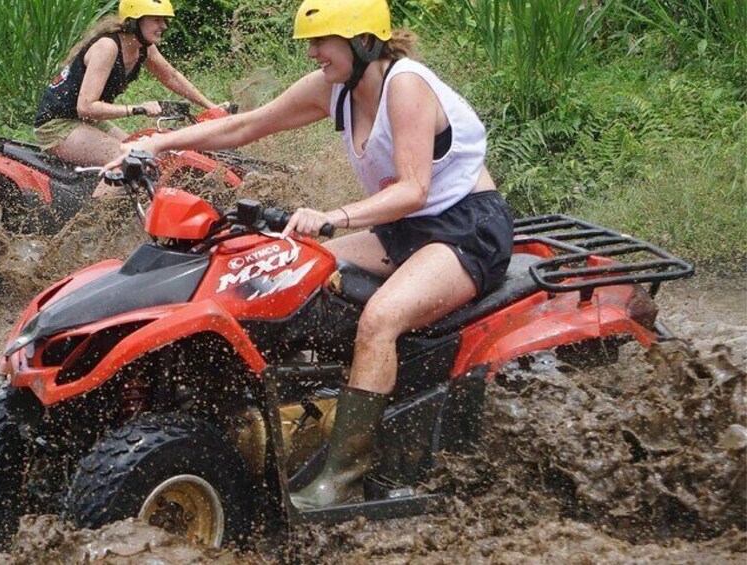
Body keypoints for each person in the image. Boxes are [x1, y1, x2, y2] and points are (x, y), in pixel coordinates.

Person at [105, 0, 514, 509]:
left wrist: (334, 216)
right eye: (311, 43)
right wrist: (159, 144)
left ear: (364, 41)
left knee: (381, 319)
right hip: (400, 229)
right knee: (293, 276)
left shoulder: (405, 85)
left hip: (464, 229)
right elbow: (244, 126)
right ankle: (301, 417)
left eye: (323, 42)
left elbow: (413, 190)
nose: (314, 53)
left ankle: (343, 479)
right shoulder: (333, 88)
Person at [34, 0, 221, 196]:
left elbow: (171, 76)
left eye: (164, 20)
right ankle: (89, 222)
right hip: (57, 126)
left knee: (148, 153)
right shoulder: (107, 47)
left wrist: (212, 107)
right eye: (157, 20)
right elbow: (86, 106)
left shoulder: (143, 47)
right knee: (130, 160)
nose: (164, 26)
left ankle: (129, 208)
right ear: (135, 21)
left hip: (89, 122)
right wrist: (135, 108)